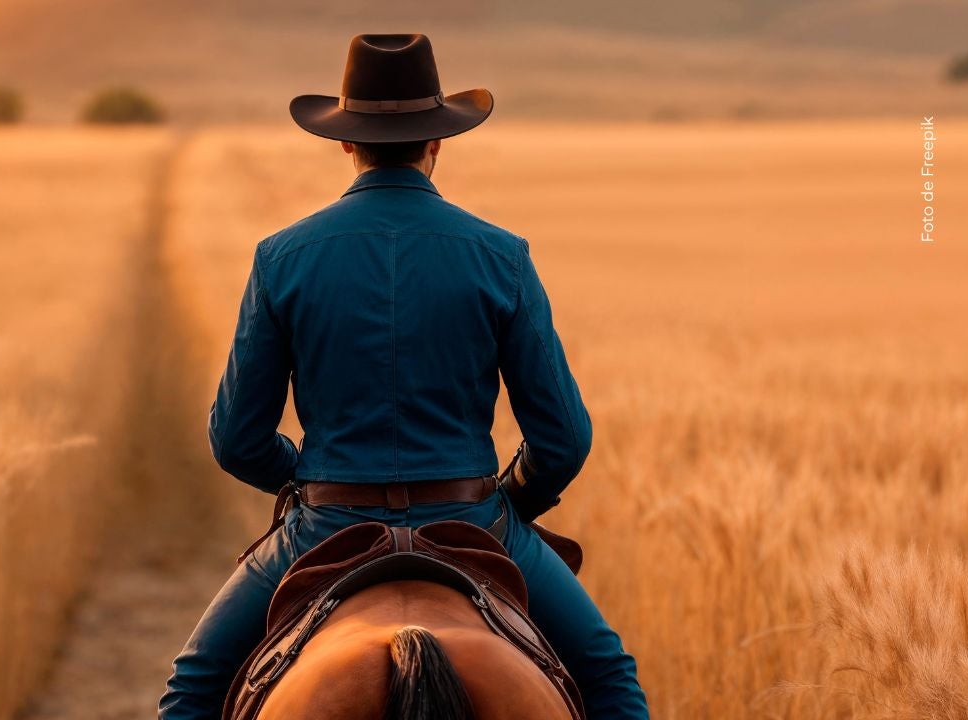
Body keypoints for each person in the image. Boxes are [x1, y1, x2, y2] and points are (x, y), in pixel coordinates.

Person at [159, 33, 648, 720]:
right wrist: (508, 502)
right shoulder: (501, 255)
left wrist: (306, 478)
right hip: (473, 516)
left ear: (345, 143)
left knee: (193, 690)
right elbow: (564, 439)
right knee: (609, 681)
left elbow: (237, 440)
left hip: (326, 521)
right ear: (439, 141)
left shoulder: (282, 258)